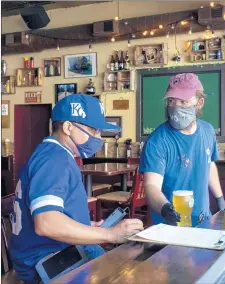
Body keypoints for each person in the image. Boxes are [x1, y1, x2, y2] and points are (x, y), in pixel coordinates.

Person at [10, 94, 143, 283]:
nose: (97, 138)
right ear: (68, 127)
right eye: (93, 130)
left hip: (54, 254)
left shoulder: (52, 153)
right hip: (47, 264)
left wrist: (85, 226)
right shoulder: (55, 159)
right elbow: (47, 223)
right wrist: (109, 234)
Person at [139, 73, 225, 227]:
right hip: (170, 225)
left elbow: (209, 165)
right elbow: (151, 186)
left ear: (199, 103)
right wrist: (166, 209)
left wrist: (220, 198)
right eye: (171, 101)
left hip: (203, 220)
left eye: (184, 101)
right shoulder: (157, 141)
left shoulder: (207, 131)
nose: (176, 107)